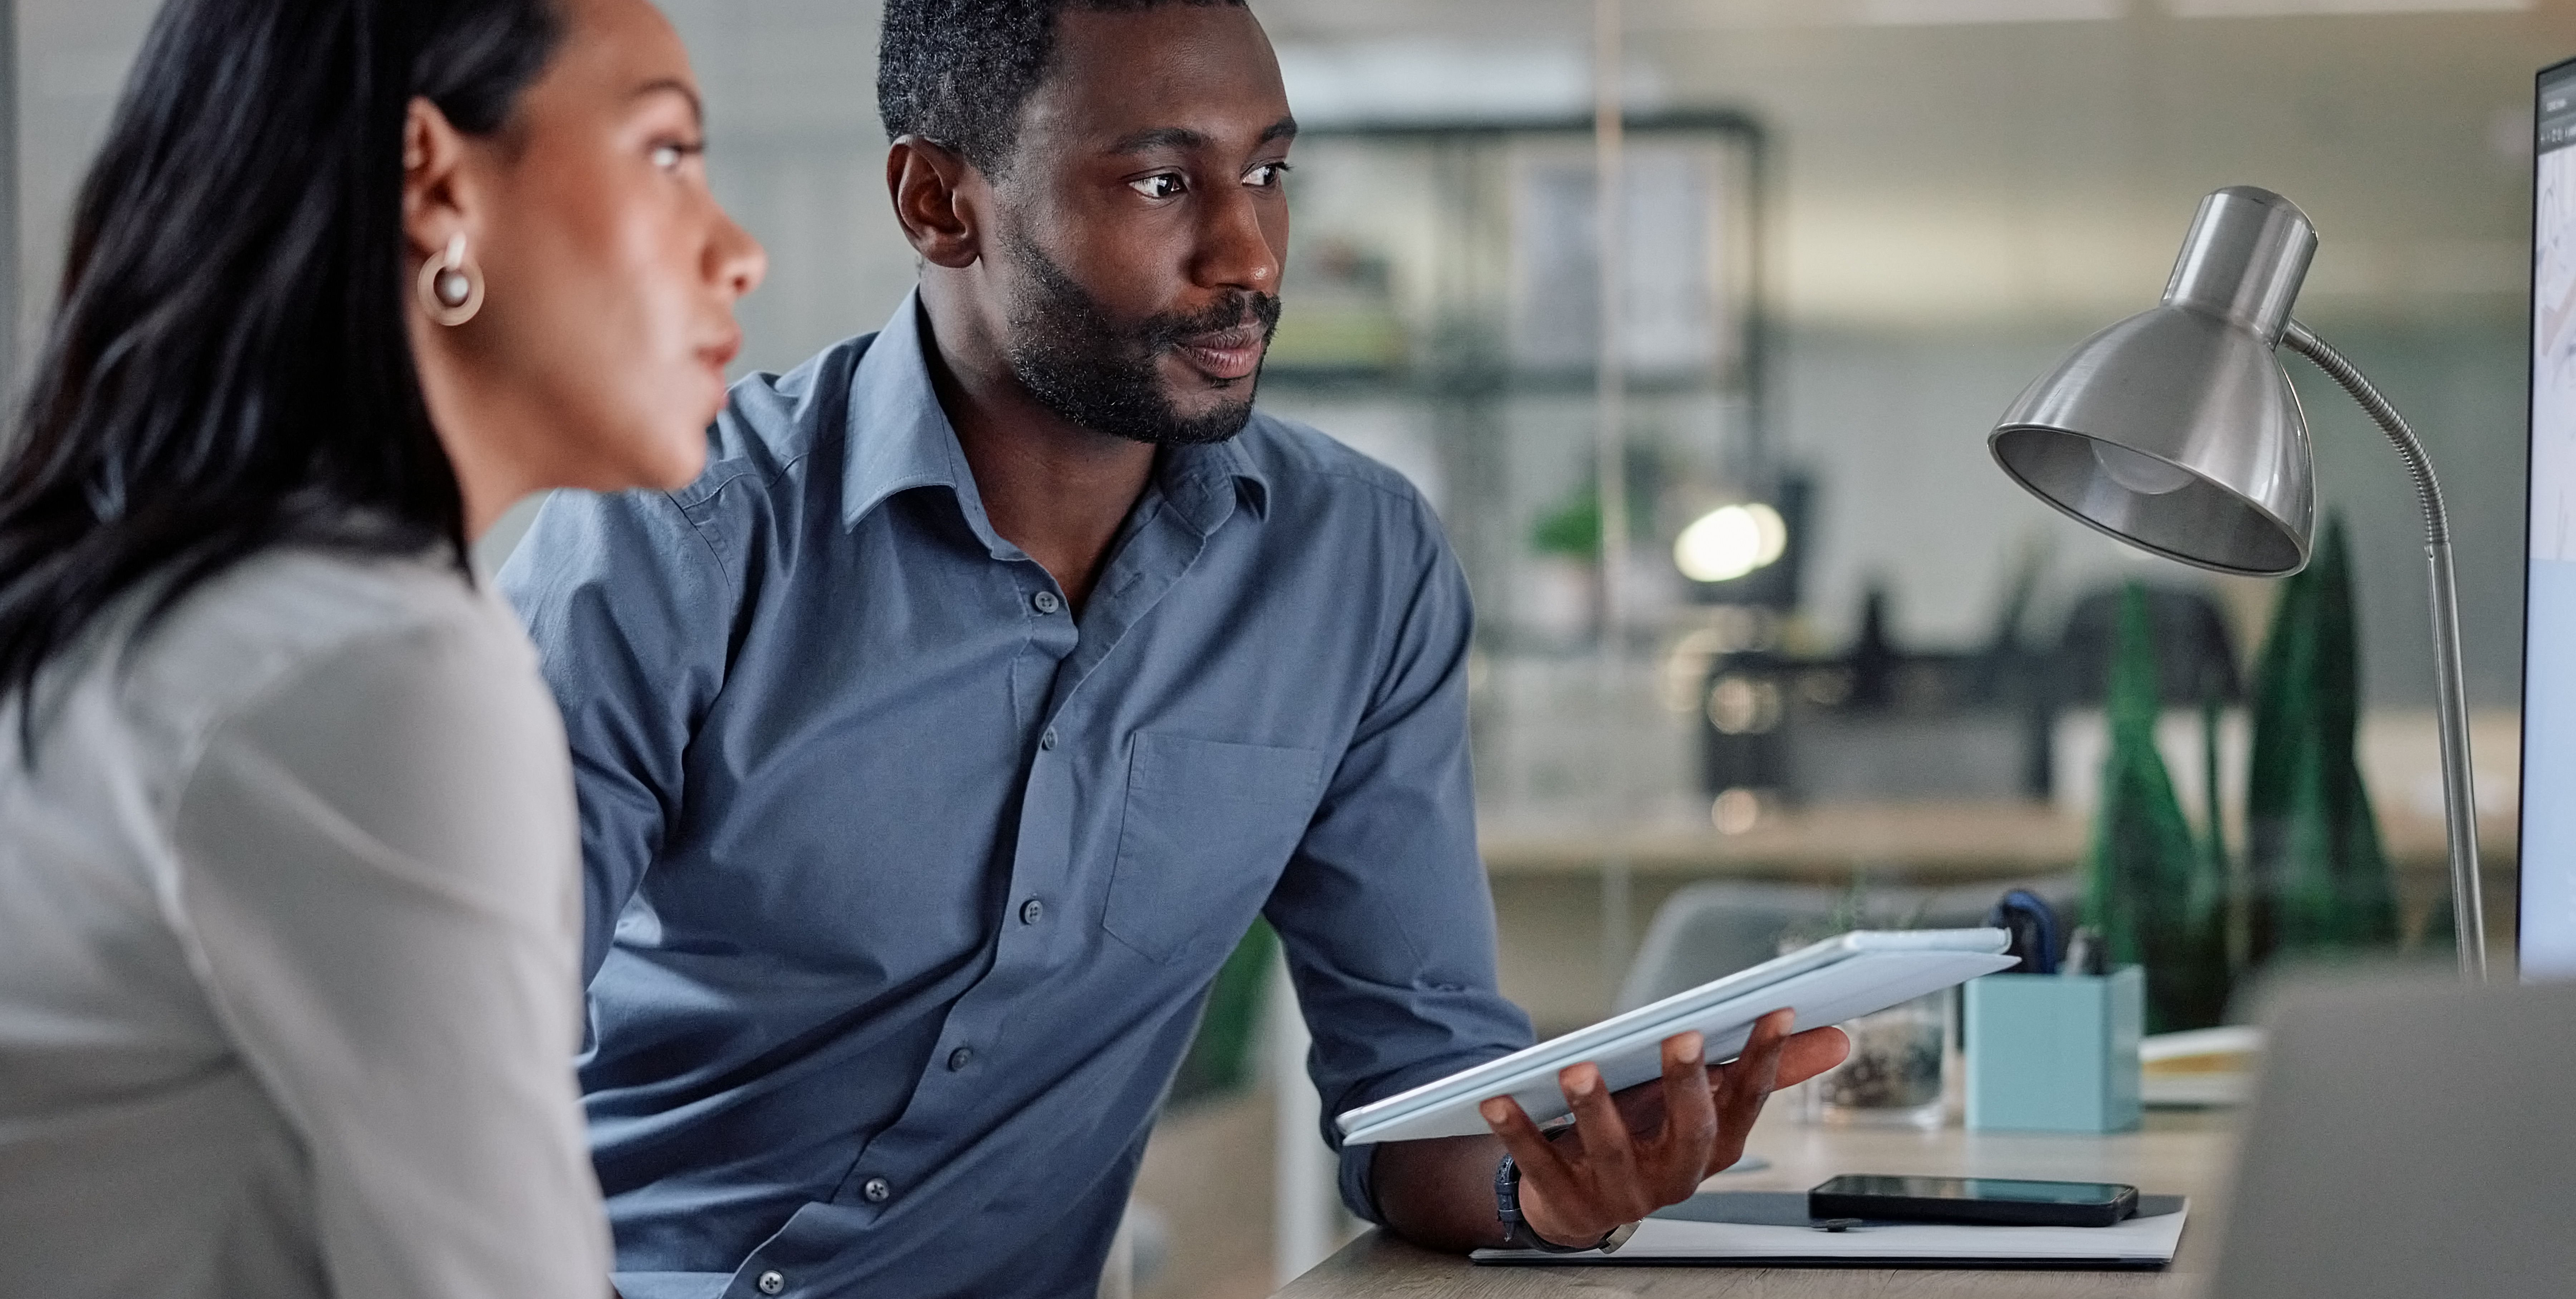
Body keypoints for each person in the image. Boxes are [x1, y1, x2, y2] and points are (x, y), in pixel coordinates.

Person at [499, 1, 1846, 1294]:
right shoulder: (672, 534)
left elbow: (1415, 1094)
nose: (1250, 255)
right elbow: (456, 1062)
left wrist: (1543, 1188)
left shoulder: (1352, 566)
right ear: (938, 203)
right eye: (1160, 185)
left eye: (1267, 172)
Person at [0, 0, 765, 1294]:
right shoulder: (375, 675)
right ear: (434, 181)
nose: (736, 252)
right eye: (666, 154)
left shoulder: (175, 604)